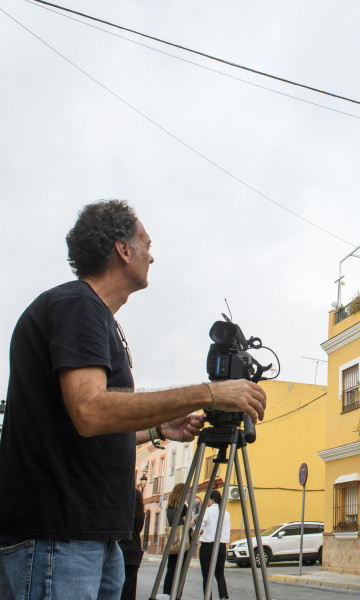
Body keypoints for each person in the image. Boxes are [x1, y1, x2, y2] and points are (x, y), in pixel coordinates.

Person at [0, 200, 267, 599]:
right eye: (146, 243)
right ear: (124, 250)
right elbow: (90, 410)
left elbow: (88, 428)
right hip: (57, 539)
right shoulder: (76, 305)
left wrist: (158, 430)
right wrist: (209, 392)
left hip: (91, 538)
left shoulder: (95, 316)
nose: (153, 255)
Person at [161, 483, 195, 598]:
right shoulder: (183, 507)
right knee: (180, 571)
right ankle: (176, 595)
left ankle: (167, 594)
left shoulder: (169, 507)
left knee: (170, 569)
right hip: (182, 541)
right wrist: (193, 521)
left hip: (172, 540)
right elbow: (186, 526)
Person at [198, 490, 231, 600]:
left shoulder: (208, 511)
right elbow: (227, 532)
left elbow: (200, 527)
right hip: (221, 546)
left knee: (207, 576)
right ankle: (223, 597)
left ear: (211, 499)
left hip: (208, 545)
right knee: (220, 574)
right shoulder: (226, 513)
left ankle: (208, 598)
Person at [118, 488, 145, 600]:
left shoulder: (123, 512)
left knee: (118, 585)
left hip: (121, 549)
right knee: (131, 587)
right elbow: (139, 530)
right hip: (135, 550)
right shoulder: (141, 515)